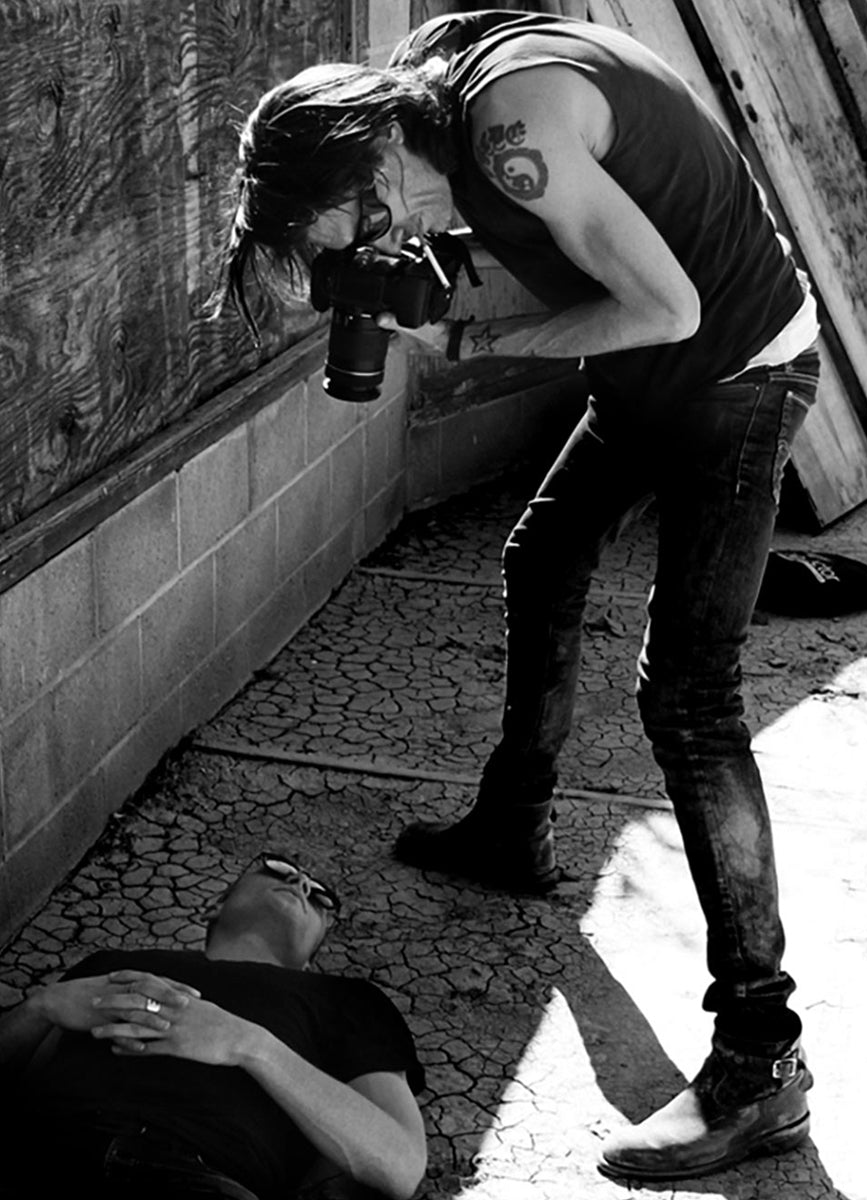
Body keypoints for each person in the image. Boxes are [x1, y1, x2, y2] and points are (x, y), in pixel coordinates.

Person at [215, 8, 819, 1183]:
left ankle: (762, 1059)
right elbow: (534, 254)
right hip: (650, 371)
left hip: (734, 374)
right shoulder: (435, 104)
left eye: (370, 226)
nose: (391, 244)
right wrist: (414, 285)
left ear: (378, 154)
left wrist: (462, 337)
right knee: (541, 555)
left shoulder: (510, 134)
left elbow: (666, 307)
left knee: (690, 703)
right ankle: (512, 826)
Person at [0, 851, 426, 1199]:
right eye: (279, 868)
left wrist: (249, 1045)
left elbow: (399, 1164)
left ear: (310, 959)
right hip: (42, 1148)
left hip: (198, 1175)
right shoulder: (111, 965)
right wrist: (40, 1007)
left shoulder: (344, 999)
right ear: (215, 904)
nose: (301, 884)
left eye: (319, 897)